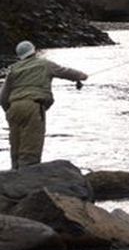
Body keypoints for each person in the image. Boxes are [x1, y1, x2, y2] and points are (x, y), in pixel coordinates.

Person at [0, 41, 88, 169]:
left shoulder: (14, 69)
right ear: (34, 51)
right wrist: (82, 76)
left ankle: (13, 178)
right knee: (30, 150)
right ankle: (28, 183)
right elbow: (66, 72)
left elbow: (3, 97)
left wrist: (9, 111)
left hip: (13, 109)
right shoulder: (45, 64)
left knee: (16, 149)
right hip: (33, 106)